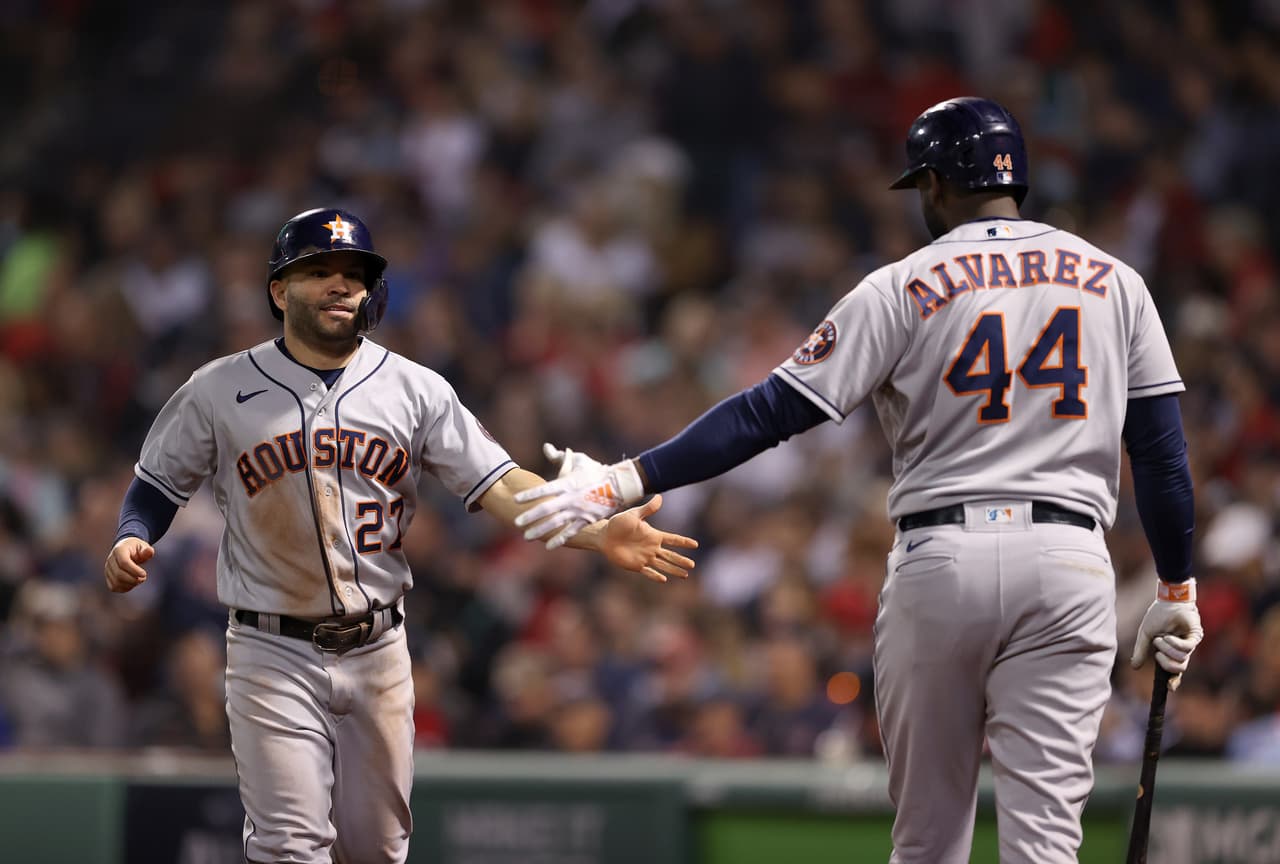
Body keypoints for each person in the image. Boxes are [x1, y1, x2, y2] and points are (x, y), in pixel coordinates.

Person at [513, 97, 1203, 863]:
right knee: (1044, 847)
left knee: (929, 842)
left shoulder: (903, 283)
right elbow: (1163, 458)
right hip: (1070, 565)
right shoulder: (1117, 283)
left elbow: (766, 412)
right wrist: (1176, 590)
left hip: (944, 561)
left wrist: (623, 481)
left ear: (939, 184)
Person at [102, 207, 697, 864]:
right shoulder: (219, 388)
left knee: (377, 851)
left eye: (353, 274)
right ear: (279, 290)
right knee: (288, 847)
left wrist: (596, 529)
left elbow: (500, 484)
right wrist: (132, 534)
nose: (339, 285)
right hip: (271, 649)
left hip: (379, 646)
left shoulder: (416, 388)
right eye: (319, 271)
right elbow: (156, 483)